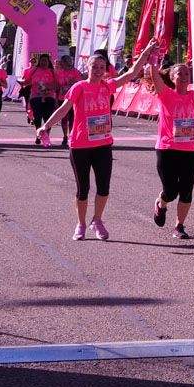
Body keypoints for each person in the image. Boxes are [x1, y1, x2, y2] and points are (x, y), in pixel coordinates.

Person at [42, 42, 158, 241]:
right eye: (94, 67)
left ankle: (97, 219)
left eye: (101, 68)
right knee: (83, 189)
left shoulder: (108, 86)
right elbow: (64, 109)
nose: (97, 71)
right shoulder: (79, 87)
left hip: (103, 144)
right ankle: (81, 223)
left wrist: (146, 52)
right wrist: (46, 126)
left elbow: (131, 73)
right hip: (80, 145)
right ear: (87, 67)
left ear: (106, 71)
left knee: (104, 187)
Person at [145, 52, 194, 240]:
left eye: (187, 73)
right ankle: (161, 204)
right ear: (172, 77)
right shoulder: (166, 95)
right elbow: (154, 76)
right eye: (180, 74)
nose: (185, 76)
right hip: (167, 150)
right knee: (170, 191)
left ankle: (179, 226)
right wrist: (152, 57)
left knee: (186, 191)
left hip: (189, 152)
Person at [25, 53, 60, 144]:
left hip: (49, 96)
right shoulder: (34, 70)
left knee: (48, 117)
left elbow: (57, 85)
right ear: (39, 61)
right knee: (37, 117)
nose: (43, 62)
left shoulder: (52, 71)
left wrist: (48, 87)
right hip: (36, 96)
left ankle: (46, 136)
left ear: (48, 62)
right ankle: (38, 134)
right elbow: (27, 81)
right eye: (42, 60)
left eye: (45, 60)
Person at [55, 56, 83, 147]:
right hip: (62, 98)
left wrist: (70, 85)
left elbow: (79, 84)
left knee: (72, 119)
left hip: (73, 99)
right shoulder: (60, 72)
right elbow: (57, 86)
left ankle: (71, 136)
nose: (61, 64)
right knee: (64, 119)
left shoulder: (76, 72)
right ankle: (65, 136)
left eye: (63, 62)